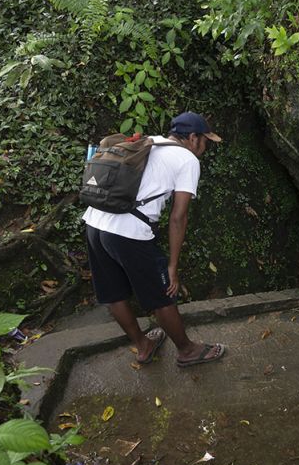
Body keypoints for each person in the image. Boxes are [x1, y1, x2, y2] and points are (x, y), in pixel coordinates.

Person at [82, 111, 225, 367]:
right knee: (162, 295)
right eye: (205, 141)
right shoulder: (187, 160)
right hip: (127, 233)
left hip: (94, 222)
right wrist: (172, 266)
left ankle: (143, 344)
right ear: (193, 138)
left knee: (114, 294)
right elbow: (178, 218)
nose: (206, 147)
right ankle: (187, 350)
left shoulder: (149, 141)